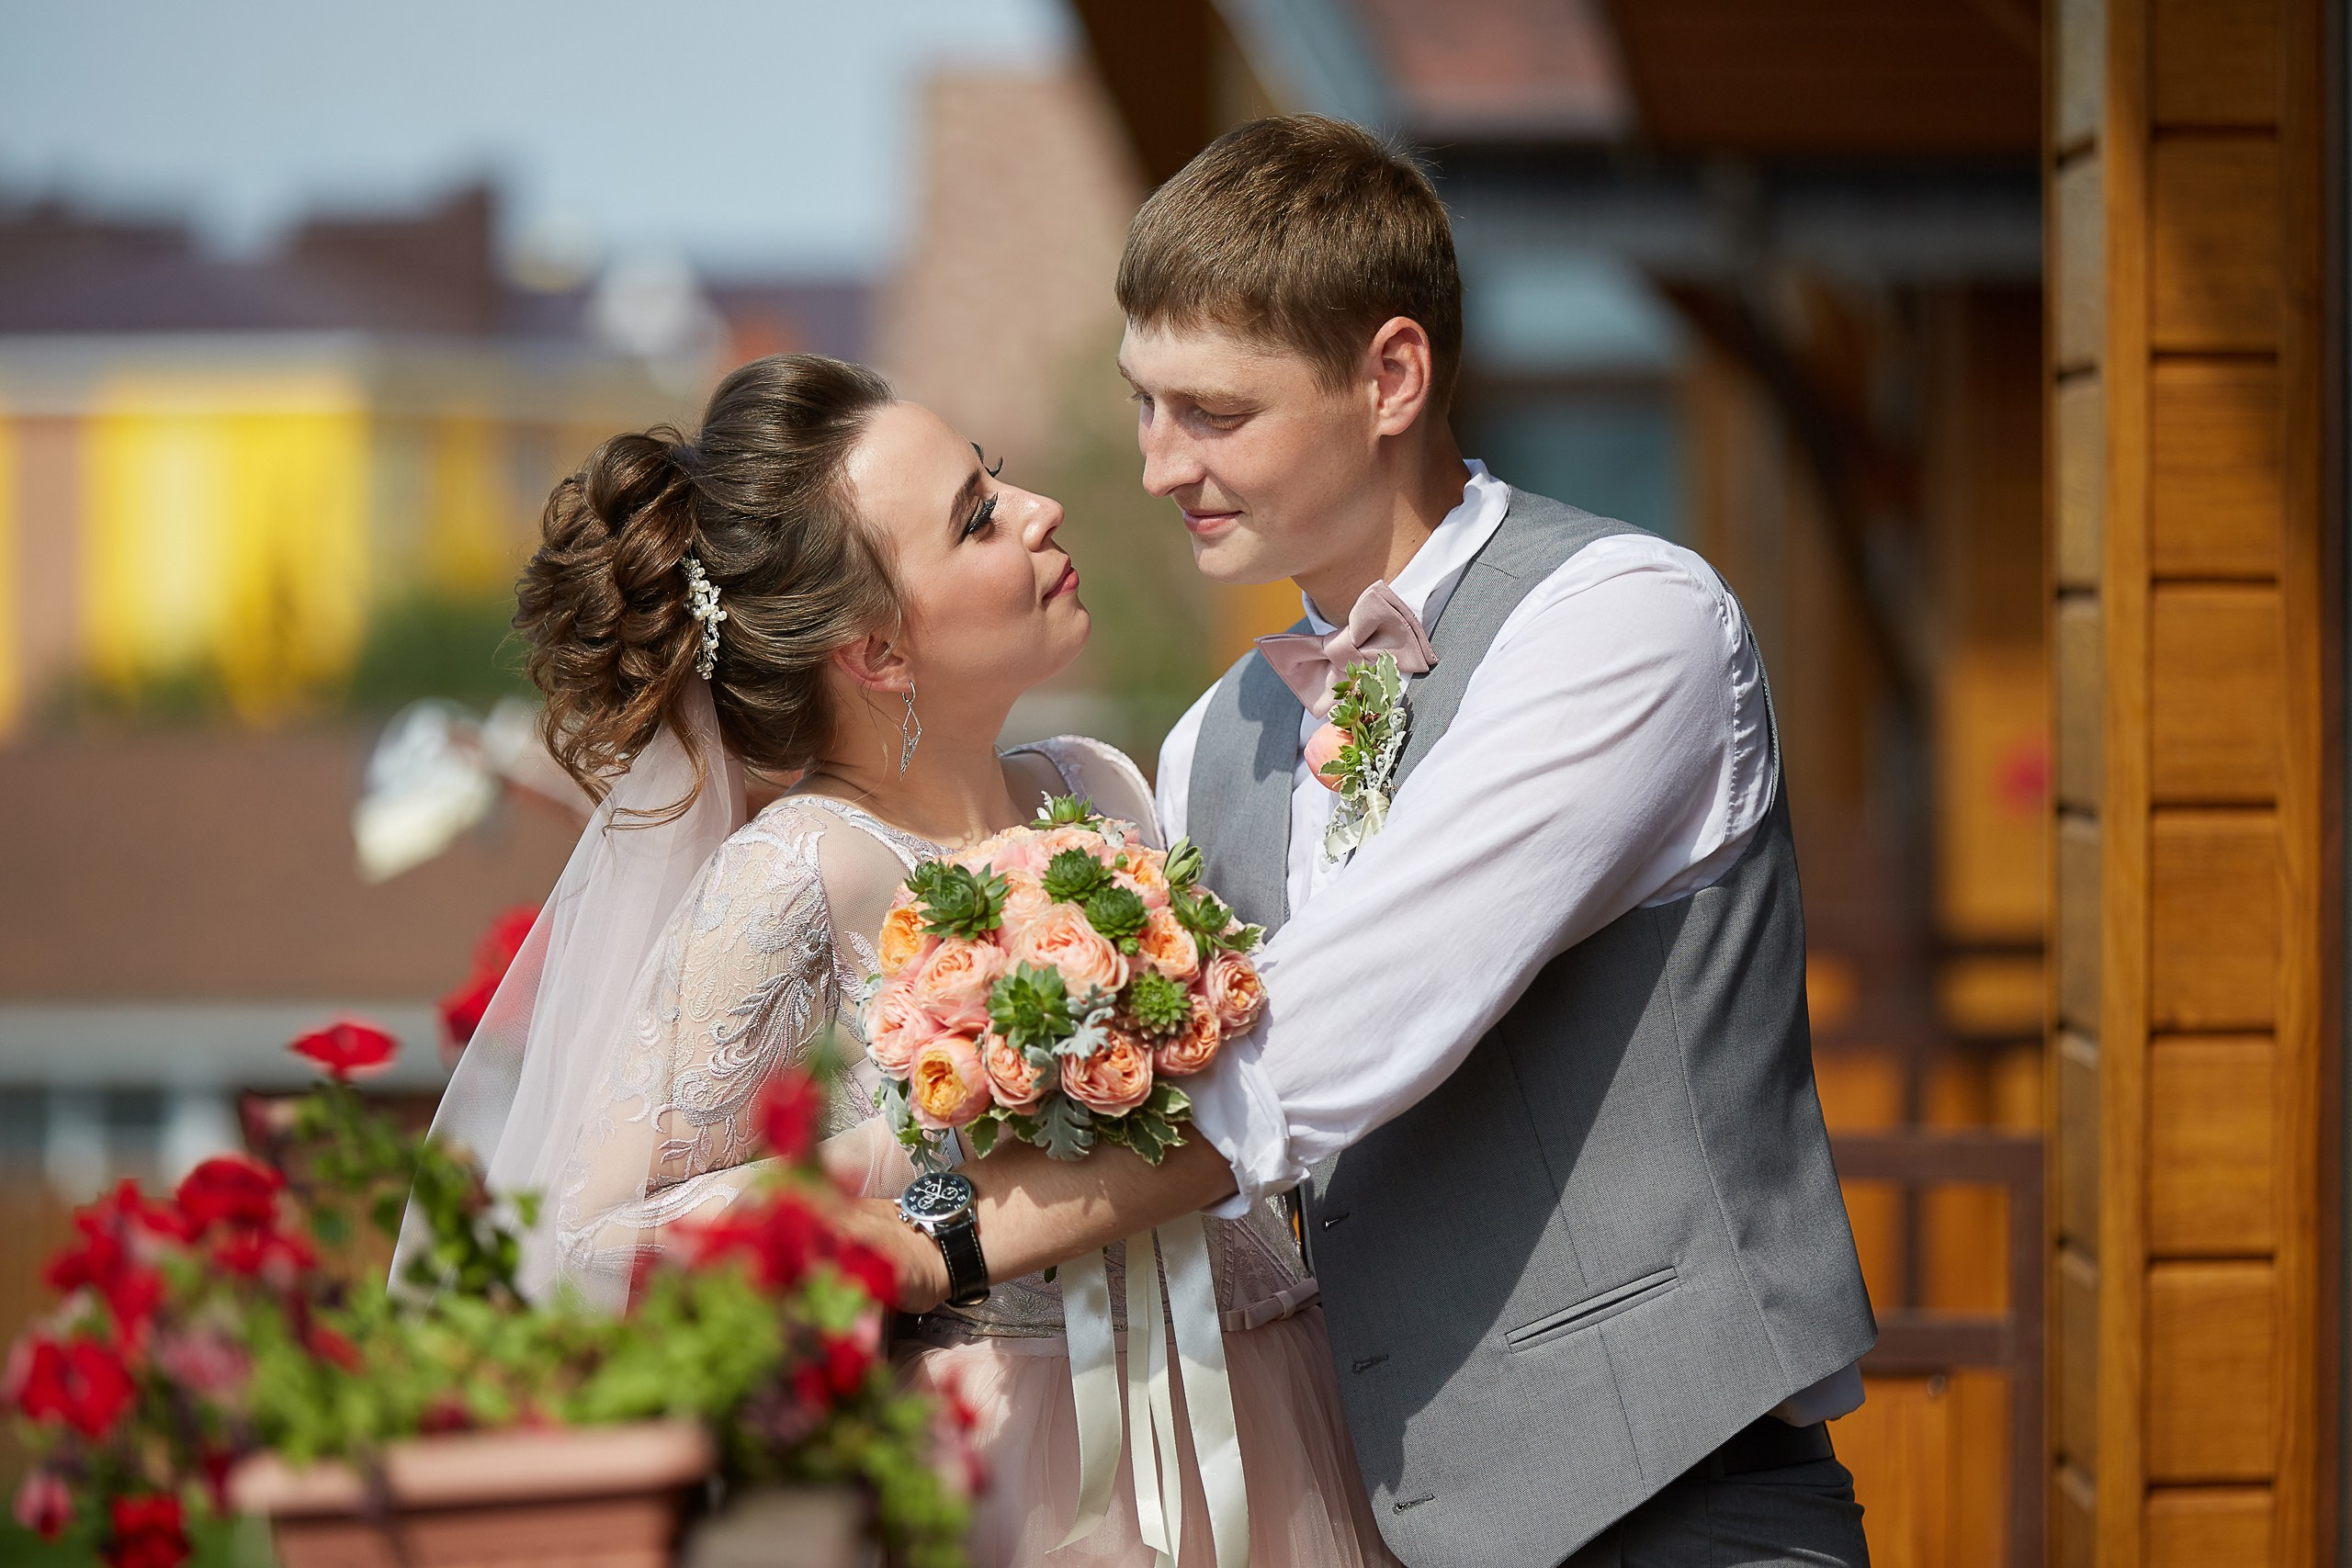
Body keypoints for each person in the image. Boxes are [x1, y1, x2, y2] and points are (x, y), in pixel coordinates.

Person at [836, 117, 1880, 1568]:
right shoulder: (1210, 745)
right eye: (1145, 405)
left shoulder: (1630, 620)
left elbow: (1331, 1041)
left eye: (1212, 412)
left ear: (1391, 376)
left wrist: (928, 1239)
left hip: (1686, 1514)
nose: (1154, 465)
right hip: (1383, 1520)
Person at [409, 352, 1396, 1567]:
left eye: (1001, 479)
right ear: (876, 653)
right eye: (978, 519)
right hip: (1017, 1458)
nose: (1040, 512)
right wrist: (910, 1158)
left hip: (1253, 1404)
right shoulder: (802, 871)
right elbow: (597, 1232)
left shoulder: (1101, 784)